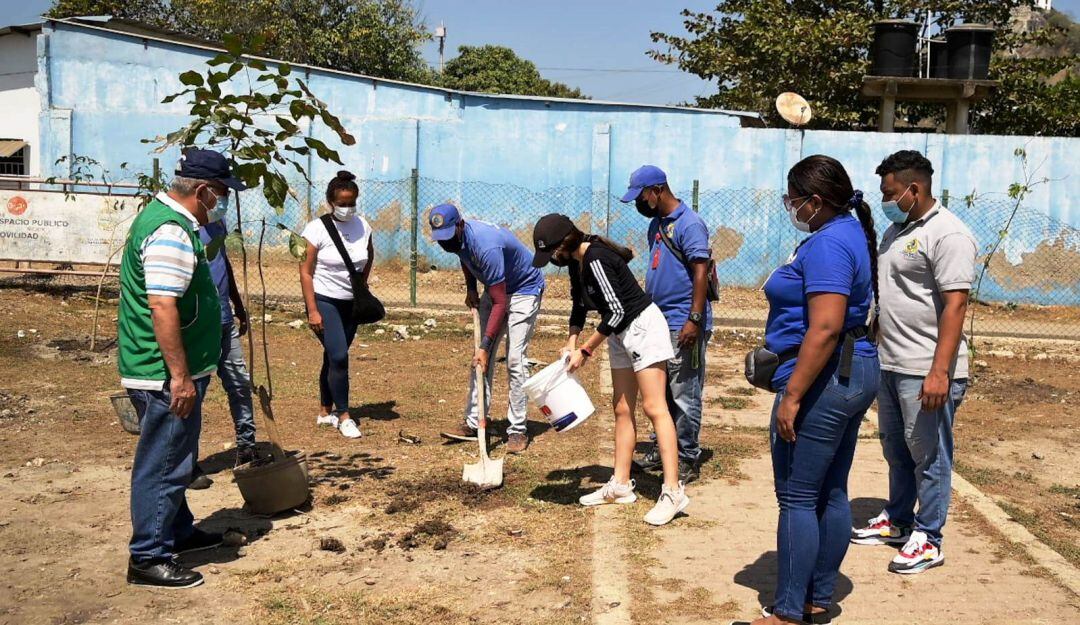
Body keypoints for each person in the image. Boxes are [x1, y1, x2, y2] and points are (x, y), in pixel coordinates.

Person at [735, 155, 880, 625]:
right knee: (831, 490)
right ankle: (817, 595)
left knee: (797, 496)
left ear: (816, 202)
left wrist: (793, 396)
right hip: (850, 371)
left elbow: (825, 327)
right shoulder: (846, 234)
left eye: (793, 200)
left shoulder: (829, 245)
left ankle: (789, 611)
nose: (790, 208)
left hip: (825, 378)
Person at [119, 149, 246, 588]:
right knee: (166, 461)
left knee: (176, 454)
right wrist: (179, 376)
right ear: (206, 191)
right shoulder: (171, 231)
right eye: (224, 193)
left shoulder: (165, 219)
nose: (225, 200)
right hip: (164, 373)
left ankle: (178, 532)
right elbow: (162, 305)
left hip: (169, 368)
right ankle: (148, 556)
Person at [850, 150, 976, 575]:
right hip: (892, 362)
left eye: (890, 192)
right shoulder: (895, 229)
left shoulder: (949, 235)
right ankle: (899, 521)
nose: (886, 199)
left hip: (927, 368)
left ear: (913, 189)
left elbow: (955, 306)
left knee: (929, 453)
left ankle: (929, 537)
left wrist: (939, 371)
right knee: (896, 447)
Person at [531, 213, 689, 526]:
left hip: (642, 327)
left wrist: (587, 350)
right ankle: (620, 484)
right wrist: (572, 341)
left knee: (654, 407)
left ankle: (673, 491)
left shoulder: (595, 259)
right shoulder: (578, 261)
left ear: (565, 243)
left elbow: (617, 310)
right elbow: (579, 303)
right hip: (619, 332)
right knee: (622, 408)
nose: (551, 259)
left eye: (551, 253)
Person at [622, 165, 713, 484]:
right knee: (660, 390)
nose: (639, 203)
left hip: (684, 322)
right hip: (658, 322)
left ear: (657, 190)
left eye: (641, 196)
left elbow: (700, 271)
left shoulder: (690, 224)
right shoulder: (657, 226)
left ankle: (687, 456)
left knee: (684, 391)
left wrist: (694, 319)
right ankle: (664, 447)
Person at [431, 204, 546, 454]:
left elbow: (501, 303)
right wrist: (471, 288)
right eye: (440, 240)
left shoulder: (487, 245)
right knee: (480, 360)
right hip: (498, 288)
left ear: (459, 226)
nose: (445, 244)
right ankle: (474, 421)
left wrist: (485, 345)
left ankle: (517, 429)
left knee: (515, 359)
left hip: (523, 290)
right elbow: (464, 257)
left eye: (448, 237)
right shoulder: (458, 240)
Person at [299, 170, 374, 440]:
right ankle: (344, 415)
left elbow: (369, 254)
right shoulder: (316, 229)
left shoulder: (363, 225)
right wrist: (313, 310)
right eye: (342, 204)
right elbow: (306, 272)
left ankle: (323, 410)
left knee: (333, 355)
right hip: (325, 300)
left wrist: (361, 285)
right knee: (340, 356)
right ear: (331, 202)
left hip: (351, 304)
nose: (347, 208)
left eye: (351, 202)